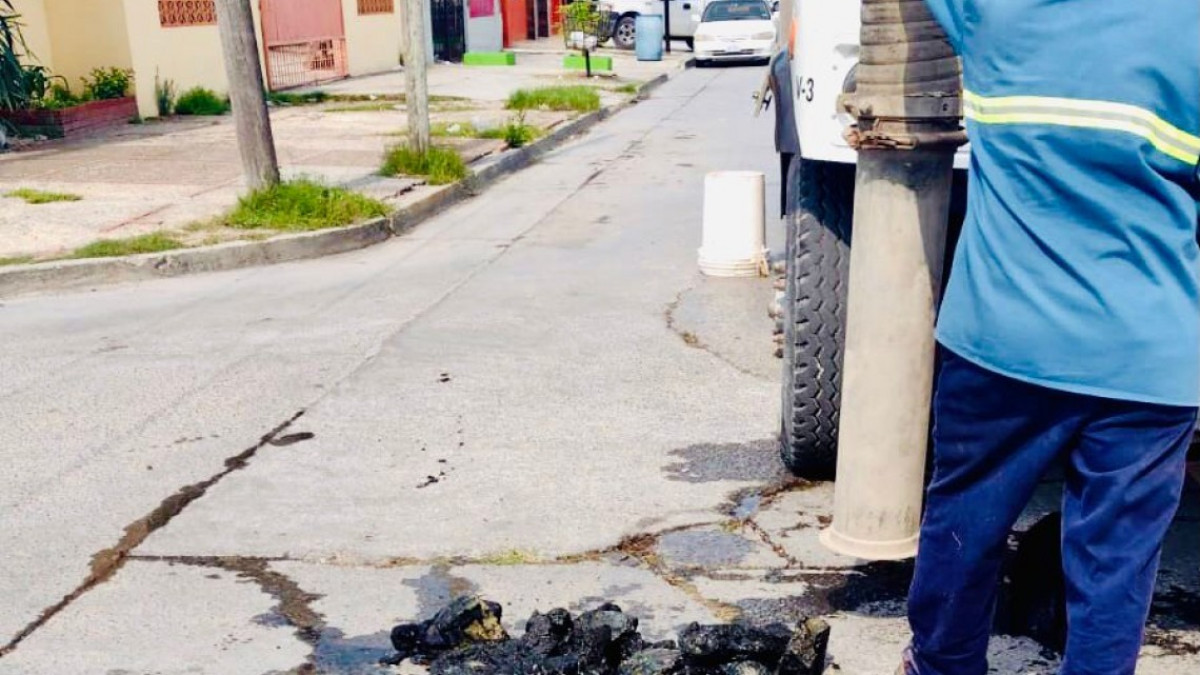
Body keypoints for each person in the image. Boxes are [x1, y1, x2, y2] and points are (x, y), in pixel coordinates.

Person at [900, 1, 1200, 674]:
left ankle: (939, 665)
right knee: (1113, 572)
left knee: (964, 531)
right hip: (1149, 356)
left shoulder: (995, 14)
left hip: (1003, 344)